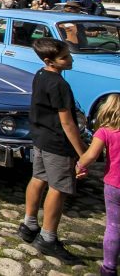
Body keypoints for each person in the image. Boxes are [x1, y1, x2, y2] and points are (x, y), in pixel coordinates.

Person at [19, 38, 87, 263]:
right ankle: (48, 237)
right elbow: (67, 123)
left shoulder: (40, 75)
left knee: (38, 178)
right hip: (57, 142)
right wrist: (82, 153)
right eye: (65, 57)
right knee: (58, 188)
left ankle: (29, 225)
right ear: (50, 61)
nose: (71, 59)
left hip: (40, 137)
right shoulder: (59, 84)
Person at [76, 93, 120, 276]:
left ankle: (109, 267)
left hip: (114, 185)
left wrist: (79, 165)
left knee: (114, 226)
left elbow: (91, 155)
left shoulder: (105, 132)